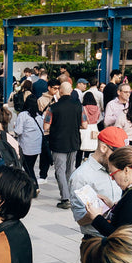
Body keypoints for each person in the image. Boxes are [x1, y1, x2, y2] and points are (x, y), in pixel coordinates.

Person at [80, 147, 132, 235]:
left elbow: (121, 237)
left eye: (113, 174)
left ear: (126, 170)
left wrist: (96, 218)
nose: (112, 178)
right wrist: (113, 207)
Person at [68, 126, 125, 240]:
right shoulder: (81, 176)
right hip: (97, 239)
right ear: (103, 147)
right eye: (117, 154)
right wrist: (94, 215)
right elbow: (80, 219)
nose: (121, 160)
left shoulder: (122, 169)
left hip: (120, 236)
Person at [45, 81, 83, 209]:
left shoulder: (53, 107)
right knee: (69, 169)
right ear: (71, 91)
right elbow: (85, 124)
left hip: (58, 142)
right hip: (74, 141)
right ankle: (69, 194)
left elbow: (46, 126)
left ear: (60, 91)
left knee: (60, 170)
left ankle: (65, 197)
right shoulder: (78, 106)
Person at [11, 94, 45, 192]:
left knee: (27, 168)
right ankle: (29, 186)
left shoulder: (23, 115)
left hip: (26, 147)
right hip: (36, 147)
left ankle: (34, 187)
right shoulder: (39, 116)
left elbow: (18, 131)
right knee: (30, 167)